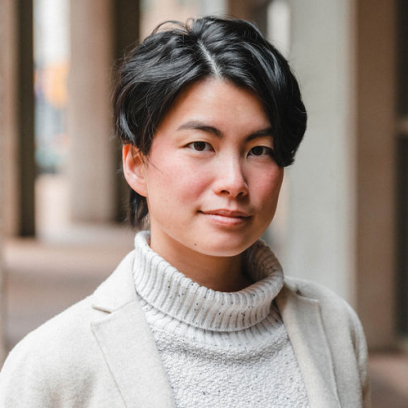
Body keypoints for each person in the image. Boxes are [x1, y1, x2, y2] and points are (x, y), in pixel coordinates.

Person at [0, 16, 370, 407]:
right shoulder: (51, 365)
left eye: (258, 150)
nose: (234, 181)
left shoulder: (334, 327)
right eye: (200, 145)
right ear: (137, 164)